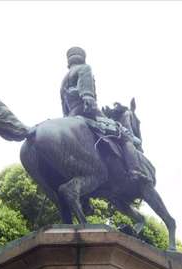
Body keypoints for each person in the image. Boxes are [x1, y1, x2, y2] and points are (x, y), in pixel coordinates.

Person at [60, 47, 150, 182]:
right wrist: (89, 99)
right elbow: (88, 96)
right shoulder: (84, 68)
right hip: (87, 112)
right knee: (125, 136)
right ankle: (135, 171)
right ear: (82, 58)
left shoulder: (63, 80)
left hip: (71, 115)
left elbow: (64, 107)